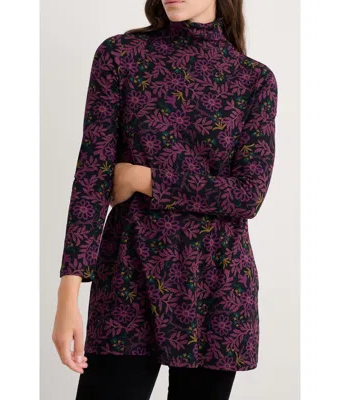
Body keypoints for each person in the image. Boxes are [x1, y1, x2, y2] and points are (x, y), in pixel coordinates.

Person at [52, 0, 278, 398]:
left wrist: (144, 178)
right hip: (128, 275)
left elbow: (248, 195)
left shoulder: (254, 79)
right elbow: (91, 179)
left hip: (215, 287)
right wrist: (68, 293)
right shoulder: (120, 56)